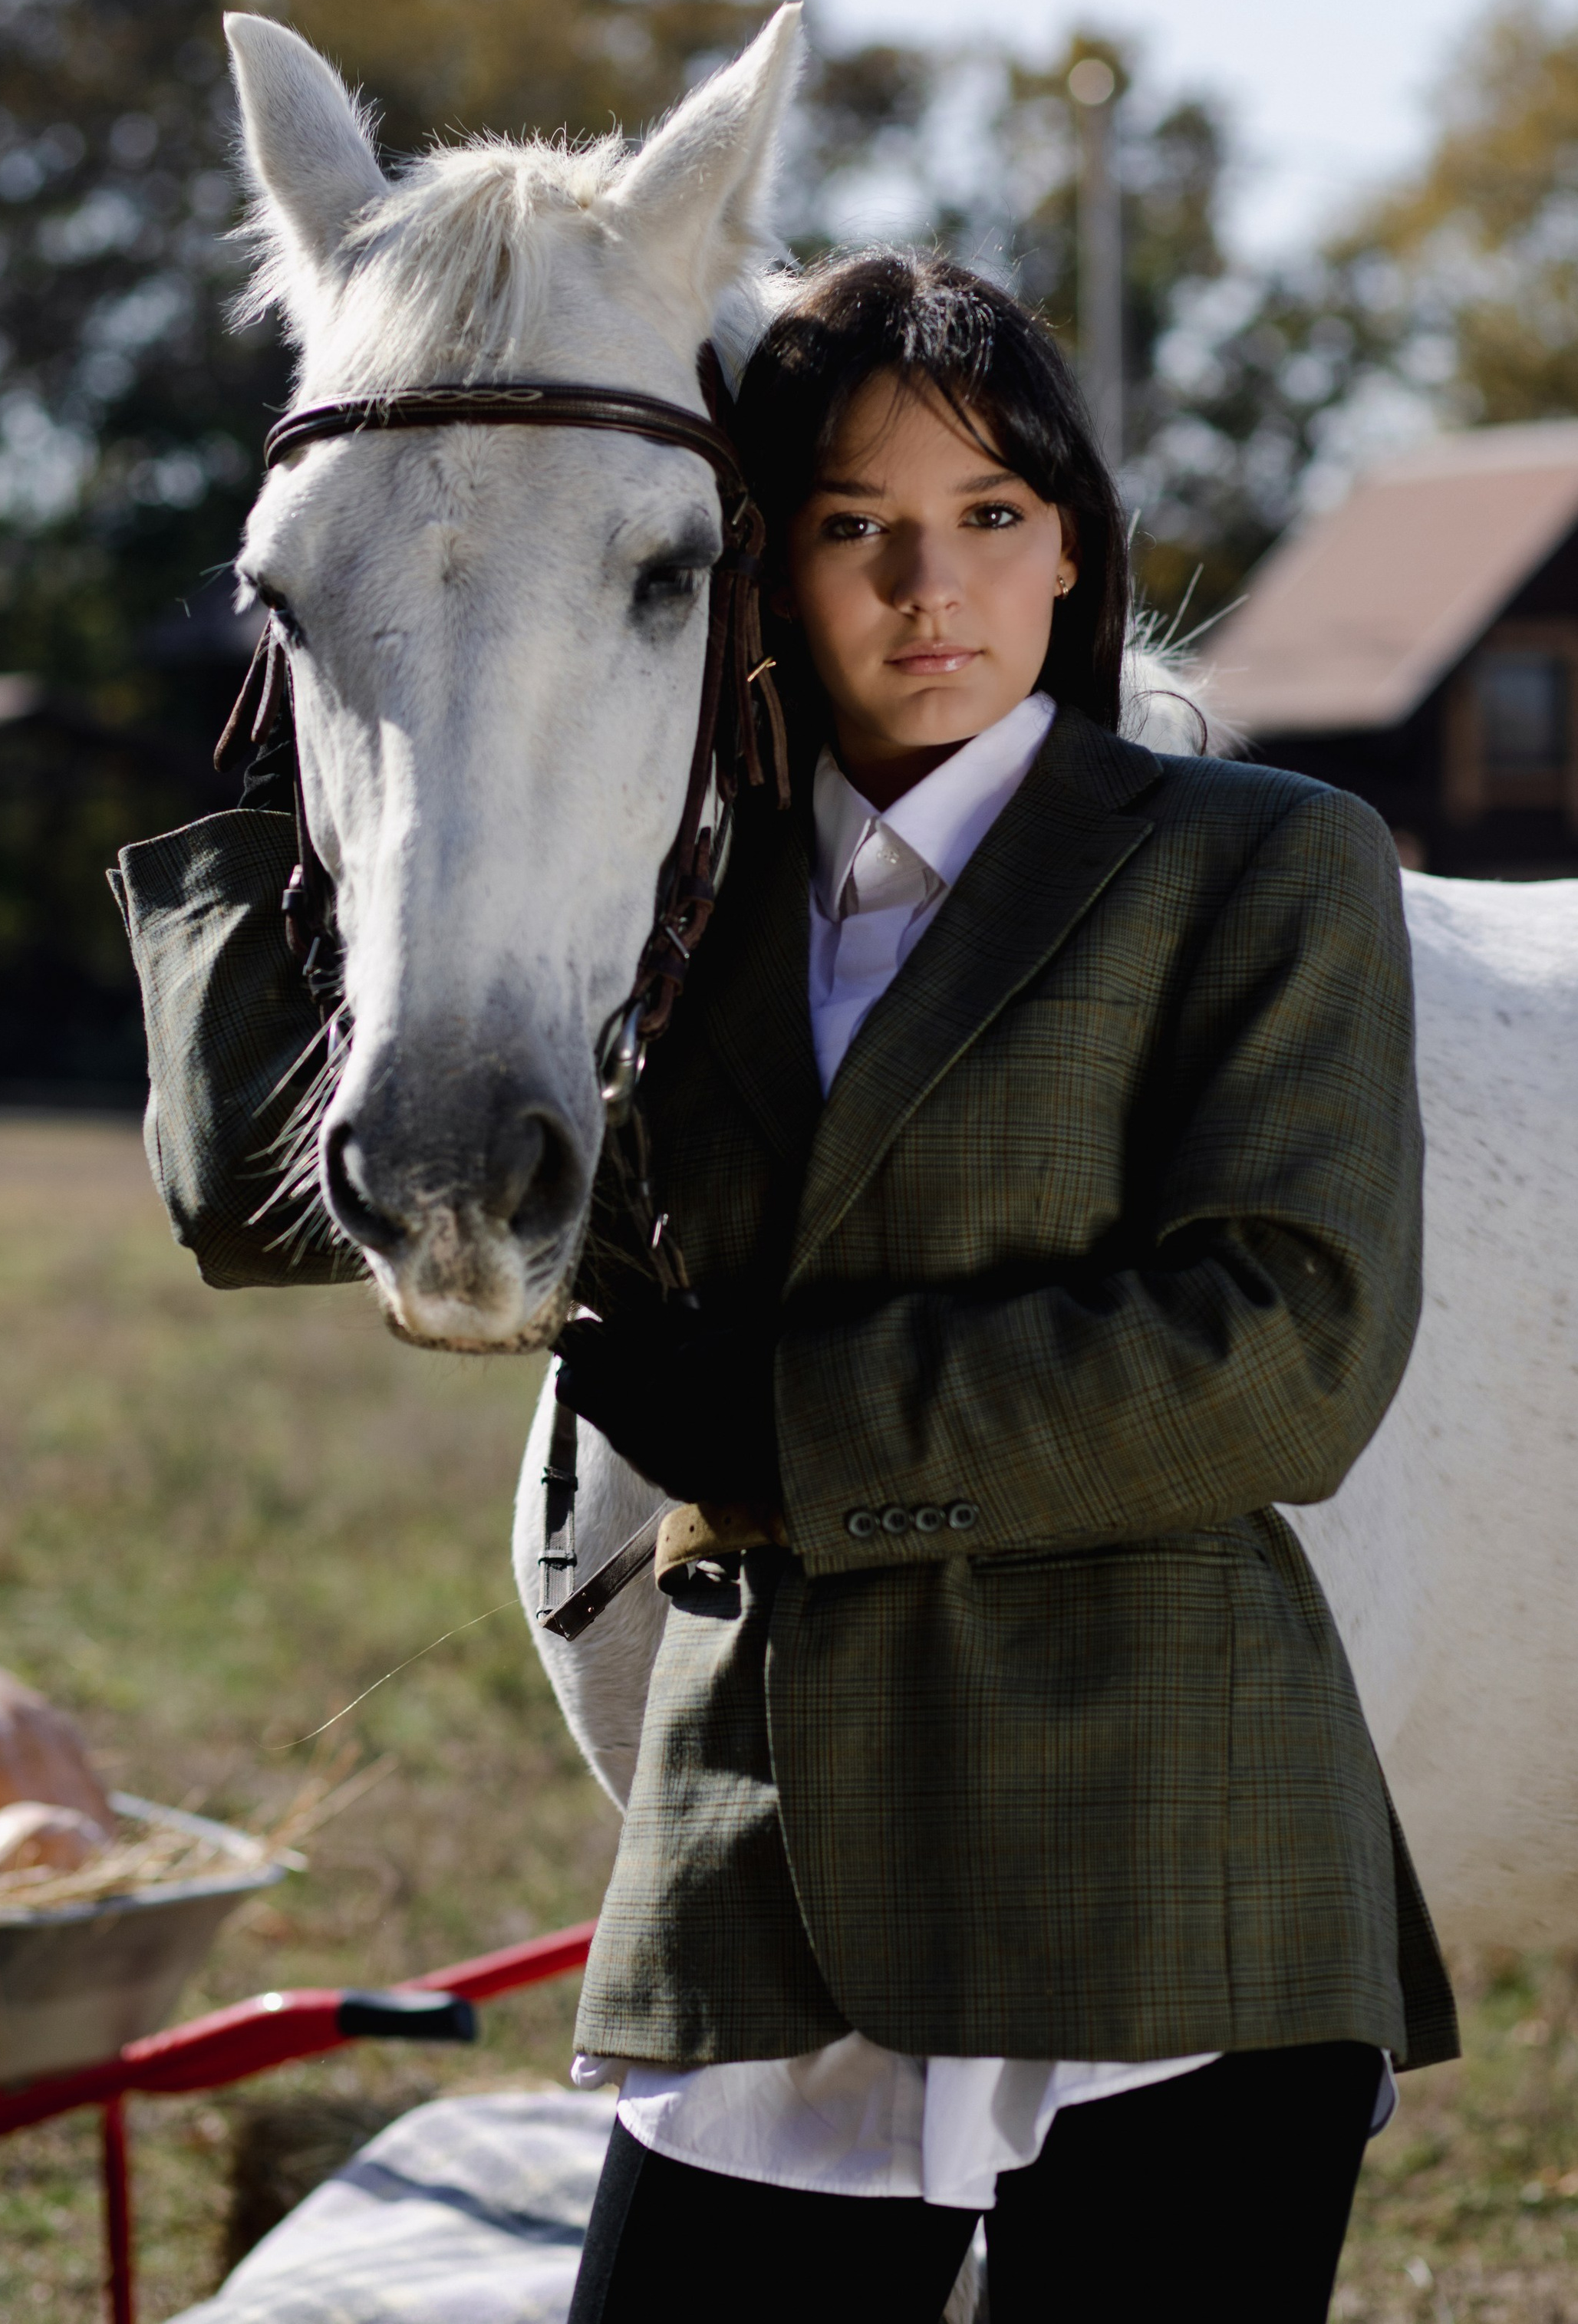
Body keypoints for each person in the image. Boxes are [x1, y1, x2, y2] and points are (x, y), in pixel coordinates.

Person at [116, 247, 1454, 2324]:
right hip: (769, 1870)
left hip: (1176, 1871)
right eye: (853, 529)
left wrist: (789, 1429)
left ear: (1072, 546)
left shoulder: (1259, 862)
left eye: (989, 514)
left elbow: (1292, 1357)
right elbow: (253, 1206)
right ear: (764, 572)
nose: (931, 590)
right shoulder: (667, 916)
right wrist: (358, 677)